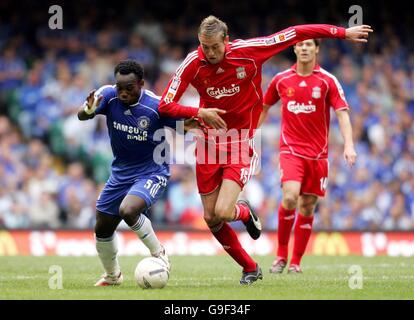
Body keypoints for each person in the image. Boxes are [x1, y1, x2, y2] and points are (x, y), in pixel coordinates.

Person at [158, 15, 372, 284]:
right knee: (211, 218)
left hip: (240, 140)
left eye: (215, 46)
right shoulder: (193, 62)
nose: (210, 53)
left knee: (225, 211)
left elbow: (294, 32)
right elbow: (165, 105)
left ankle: (244, 213)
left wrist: (342, 33)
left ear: (226, 41)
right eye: (204, 47)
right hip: (207, 143)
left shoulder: (249, 51)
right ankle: (250, 268)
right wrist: (198, 111)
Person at [78, 59, 191, 286]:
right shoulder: (108, 95)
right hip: (120, 173)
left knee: (128, 210)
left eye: (129, 88)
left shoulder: (156, 106)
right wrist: (88, 111)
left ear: (140, 83)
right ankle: (113, 275)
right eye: (119, 87)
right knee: (102, 226)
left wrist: (192, 124)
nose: (123, 93)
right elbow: (83, 114)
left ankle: (159, 253)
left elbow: (183, 126)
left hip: (152, 171)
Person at [259, 39, 357, 273]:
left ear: (317, 49)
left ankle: (296, 262)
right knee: (290, 197)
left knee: (307, 206)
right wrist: (249, 135)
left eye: (309, 45)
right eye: (300, 45)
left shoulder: (327, 81)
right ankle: (281, 255)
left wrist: (349, 145)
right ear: (294, 49)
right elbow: (263, 106)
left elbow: (342, 114)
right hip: (291, 150)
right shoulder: (281, 79)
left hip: (318, 156)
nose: (304, 48)